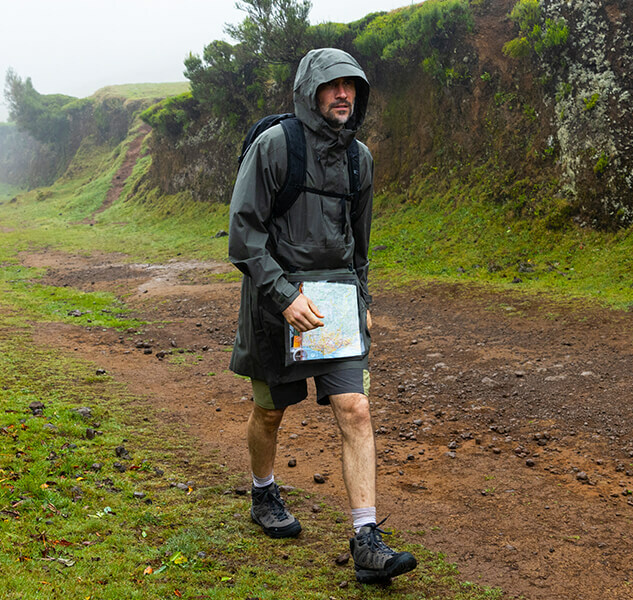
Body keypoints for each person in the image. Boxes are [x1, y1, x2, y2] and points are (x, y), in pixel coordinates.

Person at [228, 48, 417, 584]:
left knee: (355, 409)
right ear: (310, 91)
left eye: (352, 86)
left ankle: (366, 540)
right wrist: (284, 297)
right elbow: (244, 236)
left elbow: (360, 243)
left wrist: (364, 300)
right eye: (333, 85)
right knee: (269, 412)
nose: (343, 94)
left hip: (336, 304)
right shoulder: (275, 146)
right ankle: (264, 493)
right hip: (275, 302)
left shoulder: (361, 158)